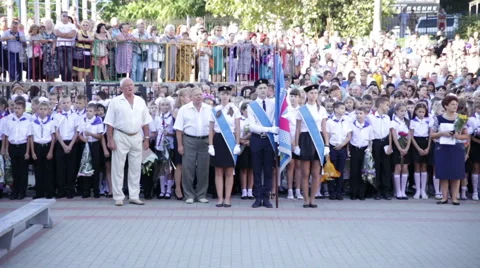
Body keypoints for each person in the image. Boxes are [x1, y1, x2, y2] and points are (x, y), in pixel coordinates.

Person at [104, 78, 152, 206]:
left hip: (136, 136)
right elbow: (109, 123)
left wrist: (146, 139)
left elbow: (146, 121)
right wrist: (110, 139)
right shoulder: (115, 102)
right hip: (120, 135)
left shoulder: (140, 101)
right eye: (127, 86)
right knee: (118, 167)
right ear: (121, 88)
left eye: (132, 85)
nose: (130, 87)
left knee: (135, 167)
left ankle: (134, 196)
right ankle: (118, 197)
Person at [173, 87, 211, 204]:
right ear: (191, 96)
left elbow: (212, 127)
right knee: (188, 168)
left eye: (200, 94)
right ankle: (188, 194)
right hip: (189, 140)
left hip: (205, 140)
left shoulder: (209, 109)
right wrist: (180, 145)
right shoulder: (184, 109)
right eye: (196, 95)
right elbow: (178, 129)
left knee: (203, 169)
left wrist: (211, 144)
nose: (199, 97)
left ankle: (201, 194)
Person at [294, 84, 329, 208]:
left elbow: (324, 128)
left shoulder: (322, 109)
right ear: (306, 95)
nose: (313, 95)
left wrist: (326, 144)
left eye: (315, 93)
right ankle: (305, 199)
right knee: (305, 173)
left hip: (318, 139)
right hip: (305, 139)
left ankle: (313, 199)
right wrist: (296, 145)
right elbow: (297, 129)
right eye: (311, 93)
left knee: (316, 173)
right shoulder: (301, 110)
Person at [430, 95, 469, 206]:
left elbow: (466, 136)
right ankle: (444, 197)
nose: (455, 106)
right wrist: (442, 133)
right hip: (442, 148)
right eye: (452, 104)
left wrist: (458, 136)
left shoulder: (461, 118)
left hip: (456, 148)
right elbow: (432, 135)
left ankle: (455, 198)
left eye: (456, 104)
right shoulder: (438, 118)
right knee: (443, 173)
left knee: (456, 173)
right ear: (446, 105)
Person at [247, 79, 279, 208]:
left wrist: (274, 129)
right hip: (257, 139)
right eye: (260, 88)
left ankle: (266, 197)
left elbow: (277, 120)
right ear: (256, 90)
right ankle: (257, 196)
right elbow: (252, 126)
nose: (263, 90)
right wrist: (269, 129)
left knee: (268, 169)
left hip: (269, 140)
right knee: (256, 169)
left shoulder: (273, 104)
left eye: (265, 88)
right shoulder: (252, 106)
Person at [208, 86, 241, 207]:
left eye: (227, 94)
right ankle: (220, 198)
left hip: (230, 140)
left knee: (229, 170)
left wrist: (237, 143)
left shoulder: (235, 109)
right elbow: (211, 129)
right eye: (223, 94)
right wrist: (210, 145)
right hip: (218, 140)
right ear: (219, 95)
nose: (225, 96)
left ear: (230, 96)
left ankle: (227, 198)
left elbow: (237, 128)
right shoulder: (214, 110)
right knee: (218, 170)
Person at [3, 97, 31, 200]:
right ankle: (15, 191)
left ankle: (22, 191)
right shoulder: (9, 120)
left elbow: (29, 138)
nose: (17, 110)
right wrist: (5, 149)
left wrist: (28, 152)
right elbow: (6, 136)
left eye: (19, 108)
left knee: (23, 170)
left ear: (23, 109)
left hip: (23, 146)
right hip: (13, 147)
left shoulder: (27, 121)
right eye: (15, 108)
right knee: (14, 170)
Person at [367, 97, 393, 200]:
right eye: (387, 105)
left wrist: (390, 145)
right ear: (381, 105)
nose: (388, 107)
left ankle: (386, 191)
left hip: (385, 142)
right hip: (376, 142)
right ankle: (376, 191)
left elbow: (390, 132)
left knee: (386, 167)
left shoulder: (387, 117)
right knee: (376, 167)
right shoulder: (371, 117)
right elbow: (369, 132)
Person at [77, 103, 104, 198]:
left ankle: (96, 190)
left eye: (90, 111)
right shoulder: (82, 120)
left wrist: (91, 134)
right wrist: (83, 139)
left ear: (95, 112)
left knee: (95, 168)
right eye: (87, 111)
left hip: (95, 145)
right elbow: (79, 133)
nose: (88, 113)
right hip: (85, 145)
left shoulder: (98, 120)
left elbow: (100, 136)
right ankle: (86, 190)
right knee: (86, 167)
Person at [326, 101, 352, 200]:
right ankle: (331, 192)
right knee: (332, 170)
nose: (343, 110)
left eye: (344, 108)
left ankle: (339, 192)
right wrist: (327, 148)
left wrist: (342, 144)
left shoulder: (346, 121)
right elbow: (327, 136)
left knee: (340, 170)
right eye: (341, 108)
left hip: (342, 148)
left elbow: (349, 136)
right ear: (335, 109)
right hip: (332, 147)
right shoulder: (329, 121)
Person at [55, 95, 79, 198]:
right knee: (60, 168)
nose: (66, 105)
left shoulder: (75, 116)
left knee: (71, 168)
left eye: (68, 102)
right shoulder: (57, 116)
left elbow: (77, 132)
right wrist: (64, 145)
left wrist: (70, 145)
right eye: (63, 103)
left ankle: (70, 190)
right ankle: (61, 190)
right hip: (61, 143)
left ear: (71, 103)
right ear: (60, 104)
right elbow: (56, 132)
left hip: (72, 143)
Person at [30, 101, 56, 199]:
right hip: (37, 147)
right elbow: (31, 138)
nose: (43, 111)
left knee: (48, 171)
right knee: (38, 170)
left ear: (48, 111)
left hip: (47, 146)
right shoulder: (33, 123)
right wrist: (32, 152)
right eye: (41, 109)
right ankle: (39, 192)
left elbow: (53, 137)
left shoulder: (51, 122)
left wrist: (50, 151)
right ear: (37, 110)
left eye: (45, 109)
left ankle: (49, 192)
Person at [349, 107, 373, 200]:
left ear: (365, 114)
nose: (358, 115)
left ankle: (361, 193)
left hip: (364, 150)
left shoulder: (369, 126)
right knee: (354, 171)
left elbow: (370, 139)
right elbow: (349, 137)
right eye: (357, 113)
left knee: (363, 172)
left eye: (361, 113)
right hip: (355, 150)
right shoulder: (352, 125)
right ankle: (353, 193)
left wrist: (369, 148)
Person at [410, 102, 431, 199]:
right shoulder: (413, 121)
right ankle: (418, 190)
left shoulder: (428, 120)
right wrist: (418, 148)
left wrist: (428, 147)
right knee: (417, 167)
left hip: (426, 142)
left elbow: (430, 135)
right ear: (415, 112)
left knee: (424, 167)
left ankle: (423, 190)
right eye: (419, 112)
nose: (421, 114)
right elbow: (411, 136)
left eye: (423, 112)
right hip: (416, 143)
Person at [391, 103, 411, 200]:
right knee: (398, 167)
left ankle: (403, 190)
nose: (403, 113)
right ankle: (398, 191)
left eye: (405, 111)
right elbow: (394, 136)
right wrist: (399, 148)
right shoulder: (394, 122)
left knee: (405, 168)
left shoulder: (407, 122)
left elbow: (410, 135)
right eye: (401, 111)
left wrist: (407, 148)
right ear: (396, 111)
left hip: (406, 146)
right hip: (397, 147)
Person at [54, 11, 77, 81]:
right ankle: (64, 79)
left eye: (66, 16)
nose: (65, 17)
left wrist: (62, 34)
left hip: (69, 46)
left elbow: (72, 35)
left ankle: (69, 79)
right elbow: (57, 33)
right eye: (63, 16)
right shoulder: (57, 25)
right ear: (61, 17)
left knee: (69, 64)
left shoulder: (72, 25)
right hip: (60, 46)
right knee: (62, 64)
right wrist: (68, 34)